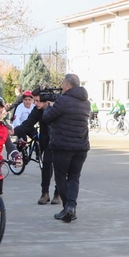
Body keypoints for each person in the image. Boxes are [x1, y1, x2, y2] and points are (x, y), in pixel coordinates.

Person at [42, 73, 90, 222]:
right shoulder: (86, 102)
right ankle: (71, 207)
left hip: (63, 146)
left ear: (68, 86)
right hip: (81, 147)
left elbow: (47, 118)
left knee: (61, 177)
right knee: (74, 177)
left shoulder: (63, 101)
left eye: (63, 84)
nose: (61, 87)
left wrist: (47, 107)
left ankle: (67, 208)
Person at [13, 85, 59, 205]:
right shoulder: (37, 110)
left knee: (60, 167)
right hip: (46, 140)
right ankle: (45, 193)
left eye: (38, 101)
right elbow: (28, 124)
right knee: (46, 164)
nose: (35, 103)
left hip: (59, 140)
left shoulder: (57, 107)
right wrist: (14, 131)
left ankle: (58, 193)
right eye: (35, 100)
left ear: (46, 99)